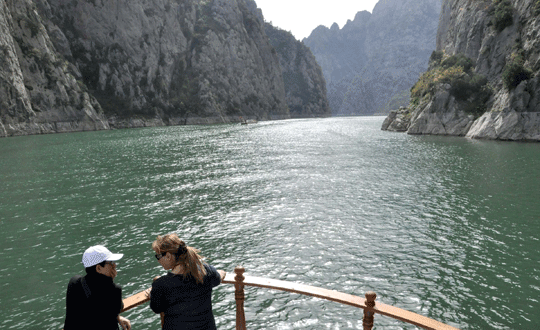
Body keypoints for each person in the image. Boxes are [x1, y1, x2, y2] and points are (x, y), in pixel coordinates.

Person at [150, 234, 226, 330]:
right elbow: (218, 277)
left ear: (168, 256)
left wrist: (153, 293)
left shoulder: (161, 285)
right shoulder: (204, 272)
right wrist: (221, 272)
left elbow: (156, 308)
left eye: (158, 256)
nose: (158, 260)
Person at [63, 245, 131, 330]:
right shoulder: (115, 290)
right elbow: (117, 309)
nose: (114, 265)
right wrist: (111, 281)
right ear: (98, 268)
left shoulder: (74, 282)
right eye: (111, 262)